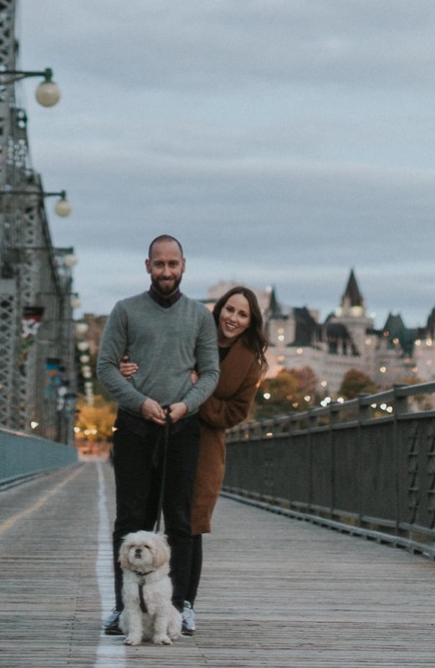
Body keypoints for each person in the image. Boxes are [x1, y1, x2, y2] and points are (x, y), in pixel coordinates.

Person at [118, 284, 268, 636]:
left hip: (204, 446)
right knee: (147, 515)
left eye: (242, 314)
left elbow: (235, 412)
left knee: (189, 525)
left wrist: (201, 394)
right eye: (229, 310)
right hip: (160, 434)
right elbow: (155, 360)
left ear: (251, 321)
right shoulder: (195, 333)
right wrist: (128, 368)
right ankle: (135, 606)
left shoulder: (250, 362)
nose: (233, 318)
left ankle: (183, 604)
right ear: (218, 311)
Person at [96, 234, 219, 637]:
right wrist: (139, 402)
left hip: (182, 427)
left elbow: (211, 372)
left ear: (184, 265)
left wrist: (186, 405)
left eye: (173, 264)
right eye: (159, 264)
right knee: (131, 519)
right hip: (135, 427)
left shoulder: (200, 316)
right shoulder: (125, 311)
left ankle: (179, 607)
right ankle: (122, 608)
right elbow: (107, 367)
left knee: (180, 522)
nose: (167, 271)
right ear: (147, 266)